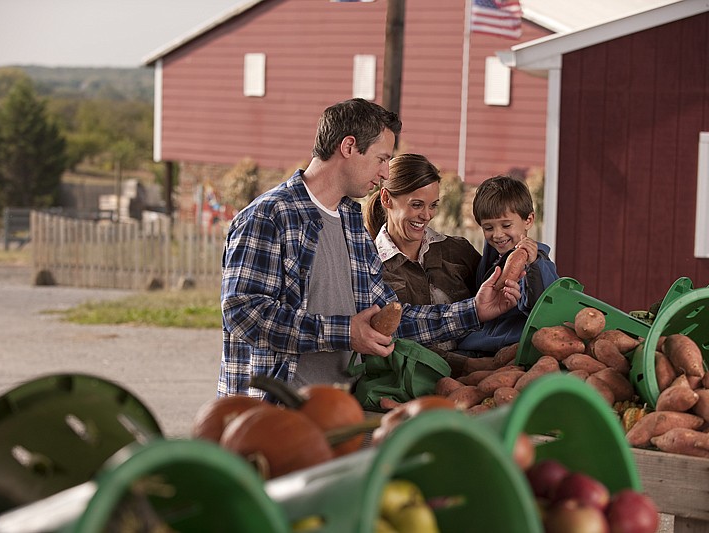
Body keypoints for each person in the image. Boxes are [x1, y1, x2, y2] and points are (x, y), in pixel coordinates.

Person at [218, 98, 522, 399]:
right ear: (349, 147)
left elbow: (388, 319)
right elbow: (243, 312)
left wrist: (474, 311)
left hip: (339, 407)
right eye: (381, 158)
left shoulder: (351, 221)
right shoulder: (270, 216)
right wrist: (346, 332)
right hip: (272, 411)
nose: (386, 173)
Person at [363, 153, 481, 354]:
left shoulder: (459, 252)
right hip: (405, 383)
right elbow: (393, 336)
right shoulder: (369, 266)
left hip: (477, 379)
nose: (427, 216)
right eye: (416, 205)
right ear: (386, 199)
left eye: (433, 205)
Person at [456, 175, 559, 355]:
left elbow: (545, 306)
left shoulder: (538, 262)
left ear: (528, 220)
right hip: (478, 342)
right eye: (488, 228)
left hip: (511, 347)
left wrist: (533, 264)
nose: (497, 235)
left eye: (506, 225)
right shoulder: (494, 256)